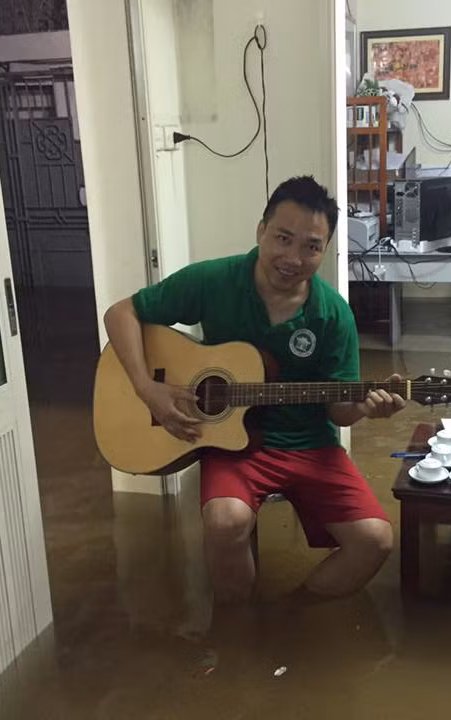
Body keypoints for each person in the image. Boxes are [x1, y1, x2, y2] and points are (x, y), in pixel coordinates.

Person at [103, 175, 405, 606]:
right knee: (225, 522)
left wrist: (363, 408)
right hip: (234, 447)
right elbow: (121, 314)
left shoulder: (333, 314)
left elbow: (338, 411)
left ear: (326, 250)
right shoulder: (214, 280)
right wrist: (147, 388)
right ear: (261, 231)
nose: (293, 257)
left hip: (309, 444)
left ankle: (288, 616)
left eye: (312, 246)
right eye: (283, 238)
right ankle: (237, 624)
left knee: (375, 541)